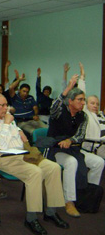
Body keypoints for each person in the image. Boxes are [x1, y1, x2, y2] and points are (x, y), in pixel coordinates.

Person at [0, 93, 68, 235]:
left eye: (6, 105)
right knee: (35, 173)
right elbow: (2, 146)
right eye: (2, 105)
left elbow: (18, 136)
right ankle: (31, 218)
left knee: (54, 167)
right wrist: (6, 124)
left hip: (25, 155)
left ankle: (51, 212)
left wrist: (18, 129)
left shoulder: (8, 118)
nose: (6, 108)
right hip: (5, 159)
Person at [47, 74, 105, 218]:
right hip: (55, 149)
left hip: (73, 148)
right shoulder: (59, 112)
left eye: (84, 100)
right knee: (72, 163)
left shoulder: (82, 116)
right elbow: (54, 107)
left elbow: (80, 135)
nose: (83, 103)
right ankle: (69, 201)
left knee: (99, 162)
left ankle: (86, 195)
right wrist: (68, 87)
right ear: (70, 101)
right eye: (80, 100)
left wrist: (70, 141)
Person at [77, 62, 105, 158]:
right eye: (92, 103)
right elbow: (81, 94)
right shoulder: (86, 113)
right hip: (97, 145)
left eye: (97, 104)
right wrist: (82, 78)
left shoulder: (101, 115)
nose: (95, 106)